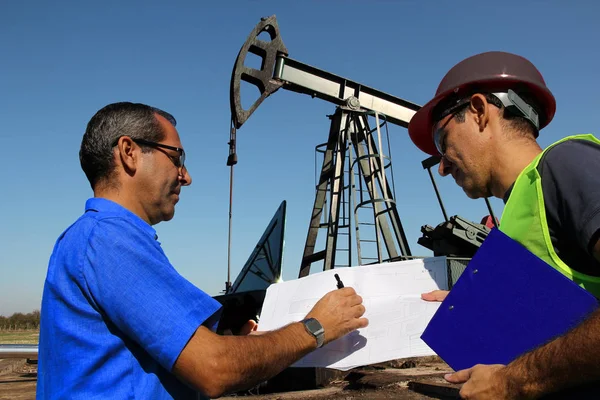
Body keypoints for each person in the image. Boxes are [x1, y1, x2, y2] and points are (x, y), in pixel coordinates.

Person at [37, 102, 368, 399]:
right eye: (177, 157)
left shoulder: (97, 239)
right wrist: (314, 328)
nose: (186, 176)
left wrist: (237, 343)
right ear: (129, 152)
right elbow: (214, 369)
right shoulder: (107, 240)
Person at [407, 51, 600, 399]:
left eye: (441, 142)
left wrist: (515, 380)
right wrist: (488, 307)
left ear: (479, 111)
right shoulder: (518, 208)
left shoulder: (565, 165)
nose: (441, 166)